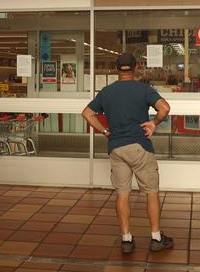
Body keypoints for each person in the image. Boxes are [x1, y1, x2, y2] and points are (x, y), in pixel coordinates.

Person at [81, 52, 172, 254]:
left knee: (122, 194)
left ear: (116, 68)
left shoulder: (107, 92)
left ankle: (126, 239)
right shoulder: (144, 89)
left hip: (116, 148)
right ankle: (156, 238)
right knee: (151, 192)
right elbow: (164, 108)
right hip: (140, 147)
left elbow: (87, 113)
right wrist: (154, 123)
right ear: (136, 67)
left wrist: (105, 131)